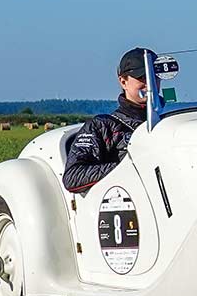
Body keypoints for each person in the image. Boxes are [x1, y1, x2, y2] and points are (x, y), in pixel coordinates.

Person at [62, 47, 149, 194]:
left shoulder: (169, 120)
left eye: (154, 77)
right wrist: (129, 167)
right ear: (123, 82)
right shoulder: (102, 125)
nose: (150, 84)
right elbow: (73, 177)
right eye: (142, 77)